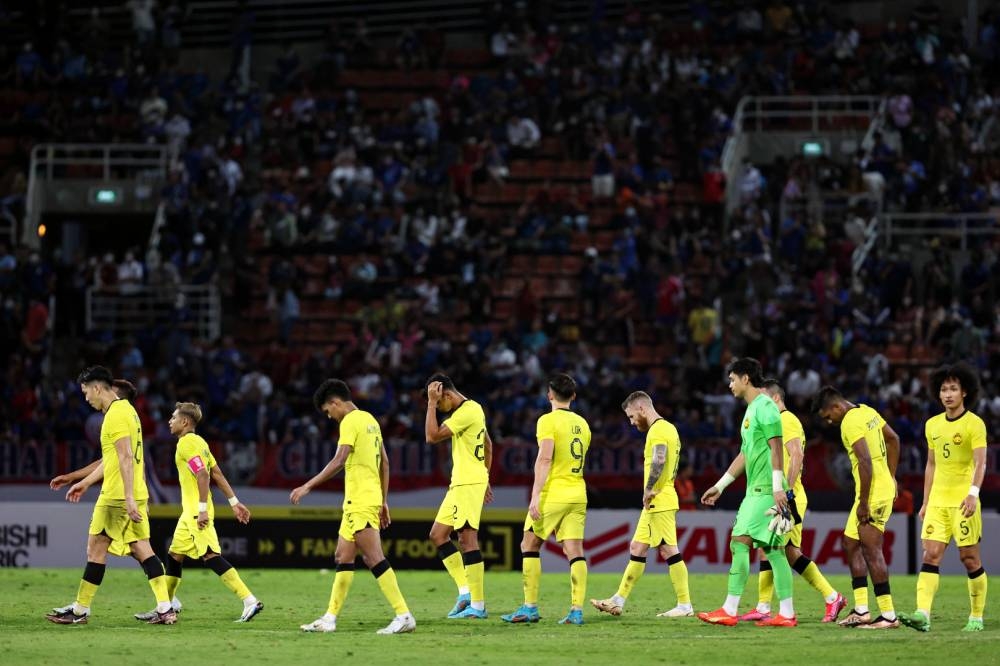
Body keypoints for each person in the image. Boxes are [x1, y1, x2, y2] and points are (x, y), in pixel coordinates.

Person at [46, 366, 175, 625]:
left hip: (117, 496)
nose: (86, 399)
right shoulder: (129, 411)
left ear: (97, 388)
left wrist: (126, 498)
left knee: (96, 548)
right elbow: (113, 459)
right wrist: (80, 480)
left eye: (85, 393)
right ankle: (165, 608)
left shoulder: (114, 416)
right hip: (133, 492)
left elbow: (125, 457)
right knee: (142, 549)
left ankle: (80, 611)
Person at [293, 379, 415, 634]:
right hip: (362, 499)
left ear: (336, 402)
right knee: (343, 556)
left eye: (328, 411)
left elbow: (339, 459)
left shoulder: (349, 421)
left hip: (361, 499)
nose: (329, 416)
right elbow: (386, 463)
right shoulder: (370, 420)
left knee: (373, 557)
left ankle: (403, 615)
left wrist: (308, 485)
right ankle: (329, 618)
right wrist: (383, 500)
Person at [130, 402, 263, 623]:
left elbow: (203, 475)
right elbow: (217, 473)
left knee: (210, 555)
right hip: (189, 512)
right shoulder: (200, 442)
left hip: (195, 511)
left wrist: (201, 511)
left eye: (173, 417)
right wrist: (234, 502)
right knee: (174, 556)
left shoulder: (186, 443)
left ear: (185, 422)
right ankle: (166, 606)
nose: (170, 421)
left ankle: (249, 600)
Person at [699, 358, 796, 627]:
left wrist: (778, 489)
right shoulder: (752, 409)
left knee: (739, 542)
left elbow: (777, 448)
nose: (730, 385)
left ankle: (730, 609)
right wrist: (720, 486)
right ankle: (786, 613)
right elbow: (745, 454)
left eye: (732, 379)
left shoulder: (765, 407)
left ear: (745, 378)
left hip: (766, 491)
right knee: (774, 550)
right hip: (759, 490)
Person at [742, 379, 846, 623]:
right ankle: (768, 606)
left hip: (789, 497)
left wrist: (786, 492)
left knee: (774, 549)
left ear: (776, 399)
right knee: (785, 552)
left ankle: (827, 598)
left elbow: (797, 454)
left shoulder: (786, 420)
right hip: (783, 496)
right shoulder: (775, 422)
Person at [901, 363, 988, 633]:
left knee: (969, 559)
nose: (948, 394)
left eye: (953, 389)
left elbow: (980, 462)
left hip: (963, 501)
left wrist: (973, 494)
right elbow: (931, 465)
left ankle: (976, 616)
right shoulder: (932, 425)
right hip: (938, 500)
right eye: (943, 389)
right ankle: (922, 615)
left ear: (964, 393)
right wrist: (926, 502)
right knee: (931, 554)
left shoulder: (974, 423)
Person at [591, 391, 693, 619]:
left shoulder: (657, 430)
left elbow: (659, 458)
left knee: (668, 549)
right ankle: (617, 601)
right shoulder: (669, 428)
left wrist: (648, 488)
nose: (631, 421)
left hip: (660, 498)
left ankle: (685, 605)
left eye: (630, 416)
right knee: (637, 547)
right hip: (659, 499)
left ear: (642, 409)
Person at [501, 373, 591, 626]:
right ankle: (576, 611)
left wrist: (535, 495)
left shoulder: (547, 421)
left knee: (529, 545)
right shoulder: (583, 425)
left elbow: (545, 458)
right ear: (573, 396)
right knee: (575, 551)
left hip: (555, 492)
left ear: (550, 394)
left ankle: (529, 607)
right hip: (578, 492)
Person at [813, 385, 901, 629]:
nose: (830, 422)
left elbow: (864, 461)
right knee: (850, 542)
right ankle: (861, 610)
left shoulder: (849, 423)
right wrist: (891, 476)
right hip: (878, 487)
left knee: (872, 549)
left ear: (837, 407)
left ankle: (888, 615)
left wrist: (863, 502)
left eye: (829, 416)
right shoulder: (867, 411)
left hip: (871, 494)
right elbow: (893, 439)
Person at [425, 373, 493, 619]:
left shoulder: (466, 411)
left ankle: (478, 605)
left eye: (439, 402)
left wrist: (431, 405)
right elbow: (488, 444)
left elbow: (431, 436)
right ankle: (465, 592)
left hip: (467, 483)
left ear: (447, 394)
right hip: (463, 483)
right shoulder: (474, 410)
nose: (439, 408)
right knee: (438, 535)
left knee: (466, 540)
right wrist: (485, 478)